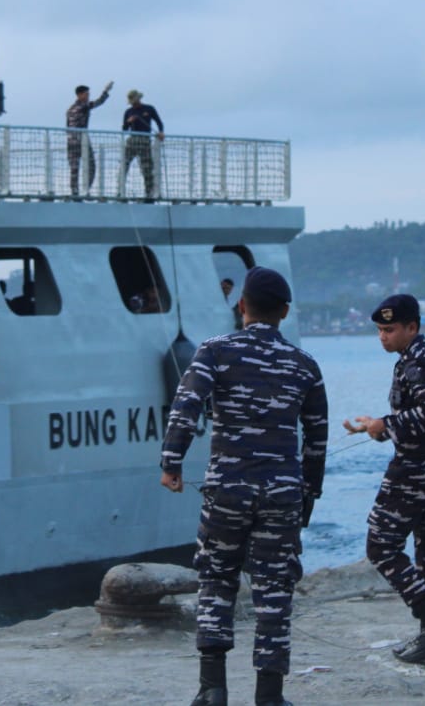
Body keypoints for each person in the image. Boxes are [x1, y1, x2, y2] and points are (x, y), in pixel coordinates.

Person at [161, 266, 328, 706]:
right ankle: (270, 695)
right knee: (275, 587)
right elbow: (317, 437)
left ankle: (213, 688)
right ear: (285, 312)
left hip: (227, 488)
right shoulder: (305, 365)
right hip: (281, 492)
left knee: (216, 579)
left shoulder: (215, 351)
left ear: (241, 306)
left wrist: (171, 462)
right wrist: (309, 493)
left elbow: (187, 405)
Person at [343, 293, 425, 666]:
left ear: (413, 327)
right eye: (379, 330)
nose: (383, 337)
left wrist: (386, 424)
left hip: (414, 470)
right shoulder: (422, 360)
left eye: (390, 329)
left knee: (380, 545)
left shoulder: (417, 363)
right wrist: (378, 429)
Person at [66, 81, 113, 197]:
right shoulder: (82, 106)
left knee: (74, 168)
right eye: (86, 94)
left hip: (71, 140)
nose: (88, 97)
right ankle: (85, 190)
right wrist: (106, 91)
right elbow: (99, 102)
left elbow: (67, 126)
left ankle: (74, 192)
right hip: (81, 139)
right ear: (80, 95)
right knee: (91, 165)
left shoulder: (70, 109)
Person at [121, 89, 164, 201]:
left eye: (135, 101)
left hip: (145, 141)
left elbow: (159, 122)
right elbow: (124, 129)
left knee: (147, 168)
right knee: (124, 165)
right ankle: (120, 191)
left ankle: (149, 193)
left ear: (139, 99)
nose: (133, 104)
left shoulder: (149, 109)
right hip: (132, 141)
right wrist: (128, 121)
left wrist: (161, 132)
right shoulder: (128, 112)